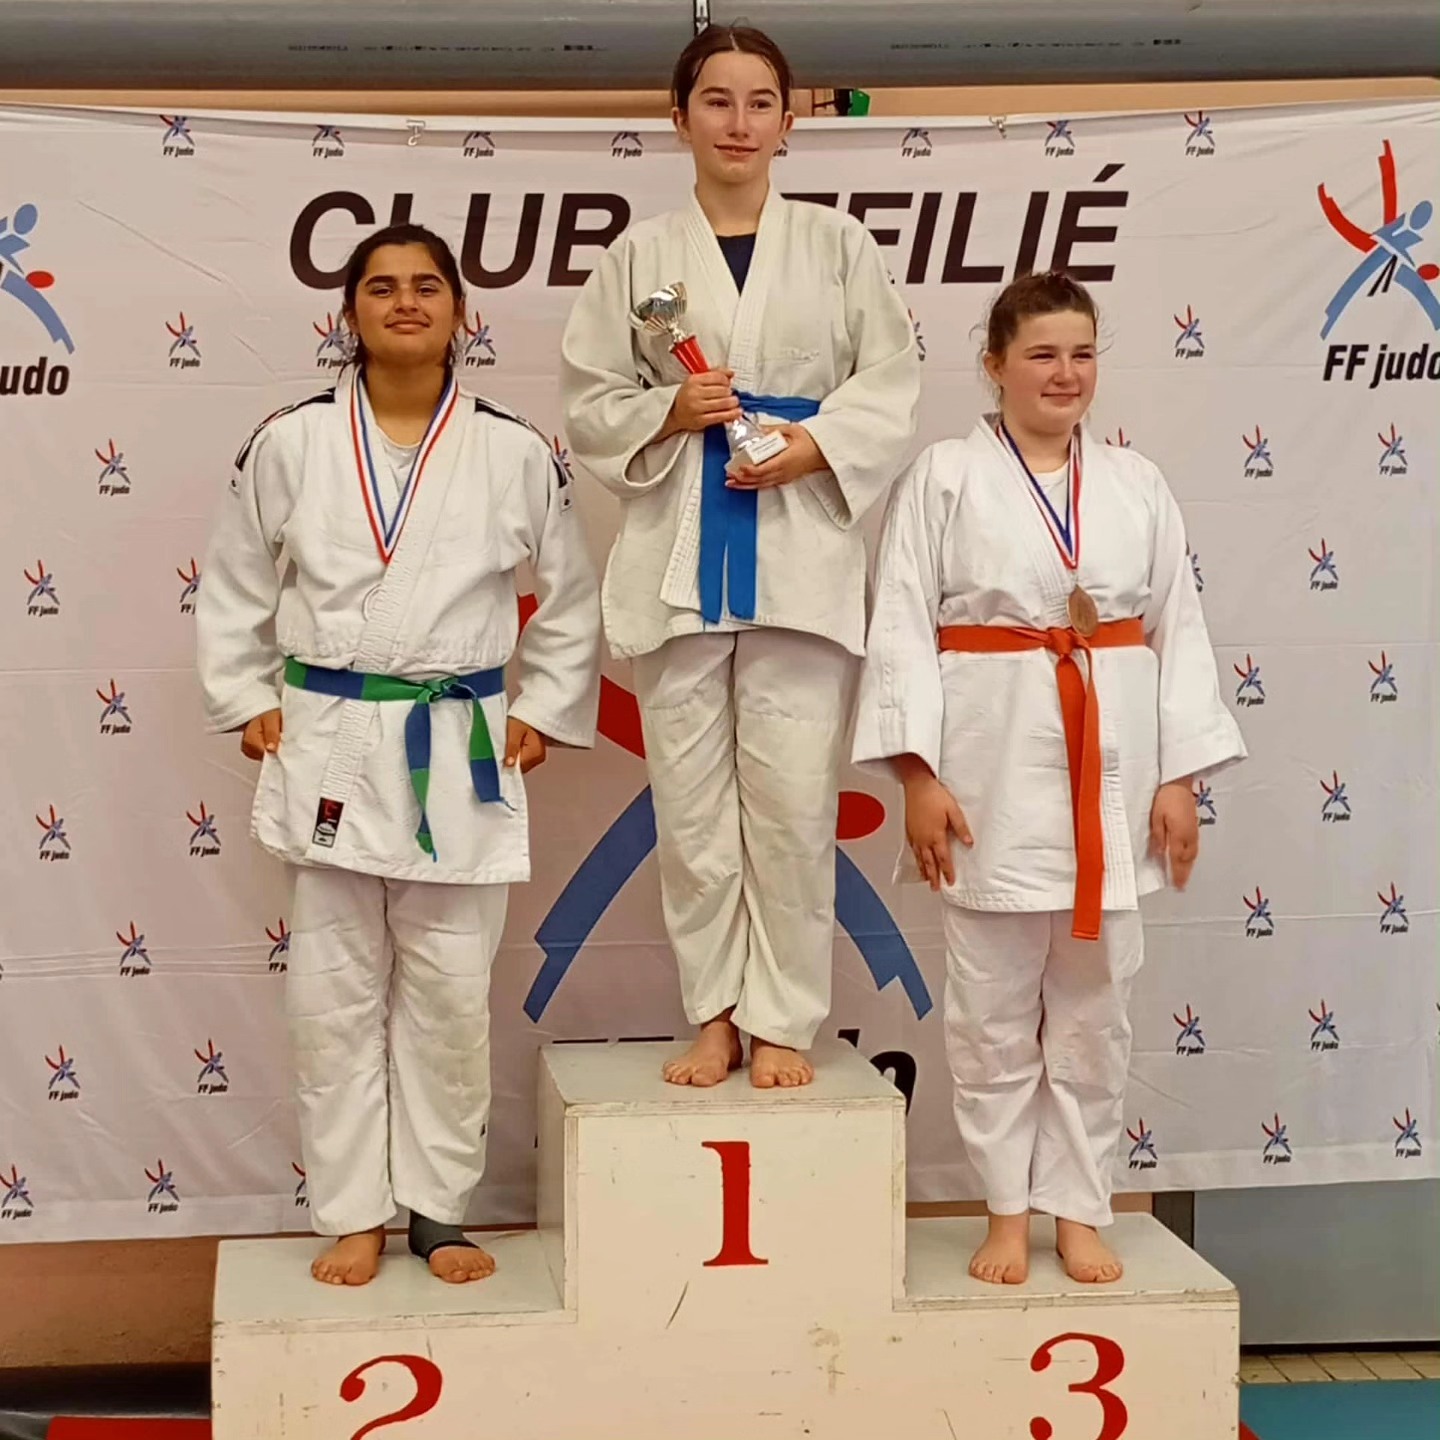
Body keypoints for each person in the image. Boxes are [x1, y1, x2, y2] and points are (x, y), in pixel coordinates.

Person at [197, 223, 601, 1286]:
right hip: (330, 735)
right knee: (329, 998)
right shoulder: (291, 442)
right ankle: (352, 1212)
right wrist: (246, 696)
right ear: (349, 314)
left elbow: (570, 594)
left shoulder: (513, 449)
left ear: (463, 312)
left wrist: (547, 706)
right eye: (381, 287)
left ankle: (437, 1209)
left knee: (451, 995)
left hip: (456, 745)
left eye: (427, 286)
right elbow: (235, 580)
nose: (406, 302)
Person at [853, 271, 1244, 1284]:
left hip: (1113, 774)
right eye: (1041, 354)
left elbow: (1177, 629)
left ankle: (1078, 1207)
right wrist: (918, 776)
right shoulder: (943, 476)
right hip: (987, 767)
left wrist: (1179, 779)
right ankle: (1002, 1208)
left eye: (1081, 354)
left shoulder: (1135, 482)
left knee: (1095, 1011)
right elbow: (900, 626)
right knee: (988, 1014)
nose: (1065, 374)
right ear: (994, 365)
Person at [560, 24, 920, 1090]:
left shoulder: (838, 246)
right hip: (680, 551)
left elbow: (889, 378)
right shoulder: (638, 258)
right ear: (679, 119)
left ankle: (784, 1020)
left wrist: (812, 447)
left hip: (797, 544)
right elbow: (591, 398)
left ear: (788, 122)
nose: (738, 122)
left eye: (760, 102)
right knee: (692, 812)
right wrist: (669, 412)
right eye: (716, 101)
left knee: (794, 806)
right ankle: (714, 1014)